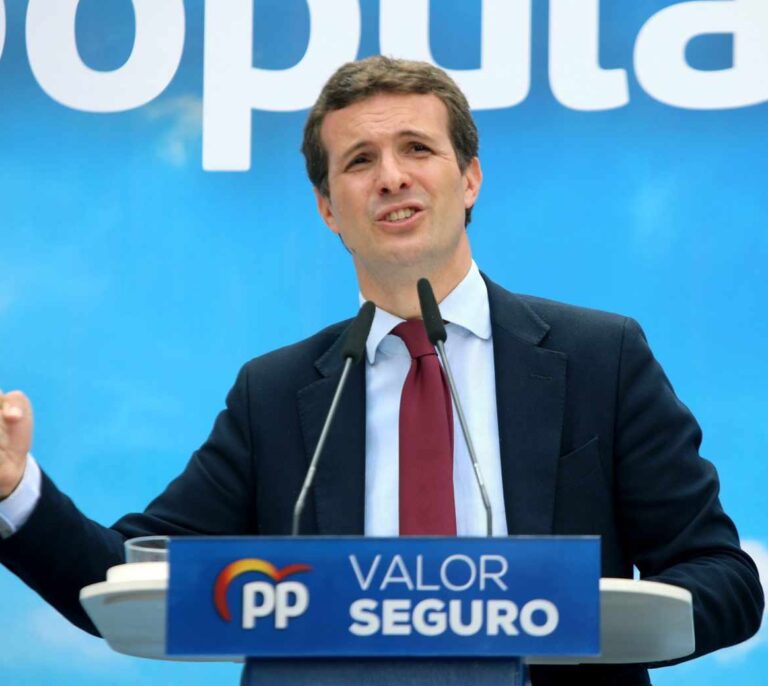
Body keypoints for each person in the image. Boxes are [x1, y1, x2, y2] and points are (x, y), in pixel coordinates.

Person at [0, 56, 763, 685]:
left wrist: (586, 616)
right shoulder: (275, 395)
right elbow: (128, 582)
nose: (392, 176)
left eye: (417, 149)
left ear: (470, 178)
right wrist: (13, 490)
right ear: (328, 208)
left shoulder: (601, 357)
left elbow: (722, 578)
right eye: (360, 161)